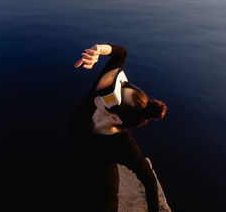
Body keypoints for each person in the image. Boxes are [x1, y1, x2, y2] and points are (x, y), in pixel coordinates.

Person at [69, 44, 167, 212]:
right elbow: (120, 54)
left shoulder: (123, 144)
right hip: (76, 166)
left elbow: (149, 181)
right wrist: (99, 50)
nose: (101, 92)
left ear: (115, 118)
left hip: (99, 191)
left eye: (110, 95)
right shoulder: (100, 98)